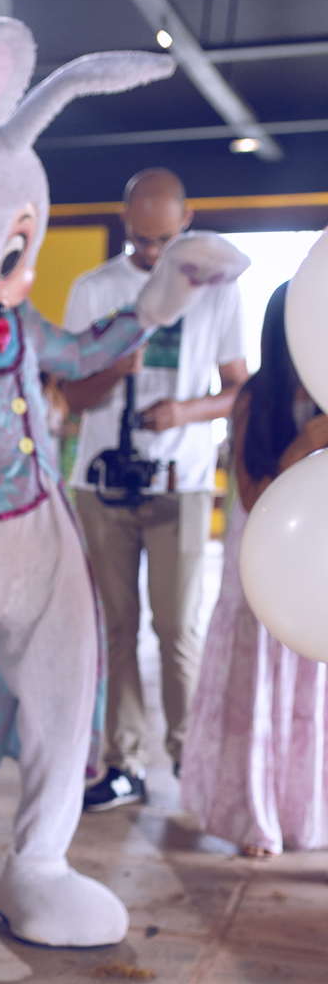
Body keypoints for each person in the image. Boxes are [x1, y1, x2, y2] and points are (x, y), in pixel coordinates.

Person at [64, 168, 248, 808]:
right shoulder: (94, 289)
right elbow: (70, 396)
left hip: (182, 484)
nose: (150, 252)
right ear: (124, 221)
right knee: (116, 629)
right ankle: (124, 765)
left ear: (187, 222)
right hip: (101, 484)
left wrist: (184, 412)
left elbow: (239, 390)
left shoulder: (219, 291)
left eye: (164, 240)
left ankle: (191, 763)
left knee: (177, 629)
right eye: (140, 239)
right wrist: (112, 370)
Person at [181, 284, 328, 856]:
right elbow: (248, 494)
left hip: (317, 575)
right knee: (258, 697)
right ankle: (255, 819)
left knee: (311, 697)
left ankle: (306, 816)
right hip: (261, 571)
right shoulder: (256, 397)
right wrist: (302, 447)